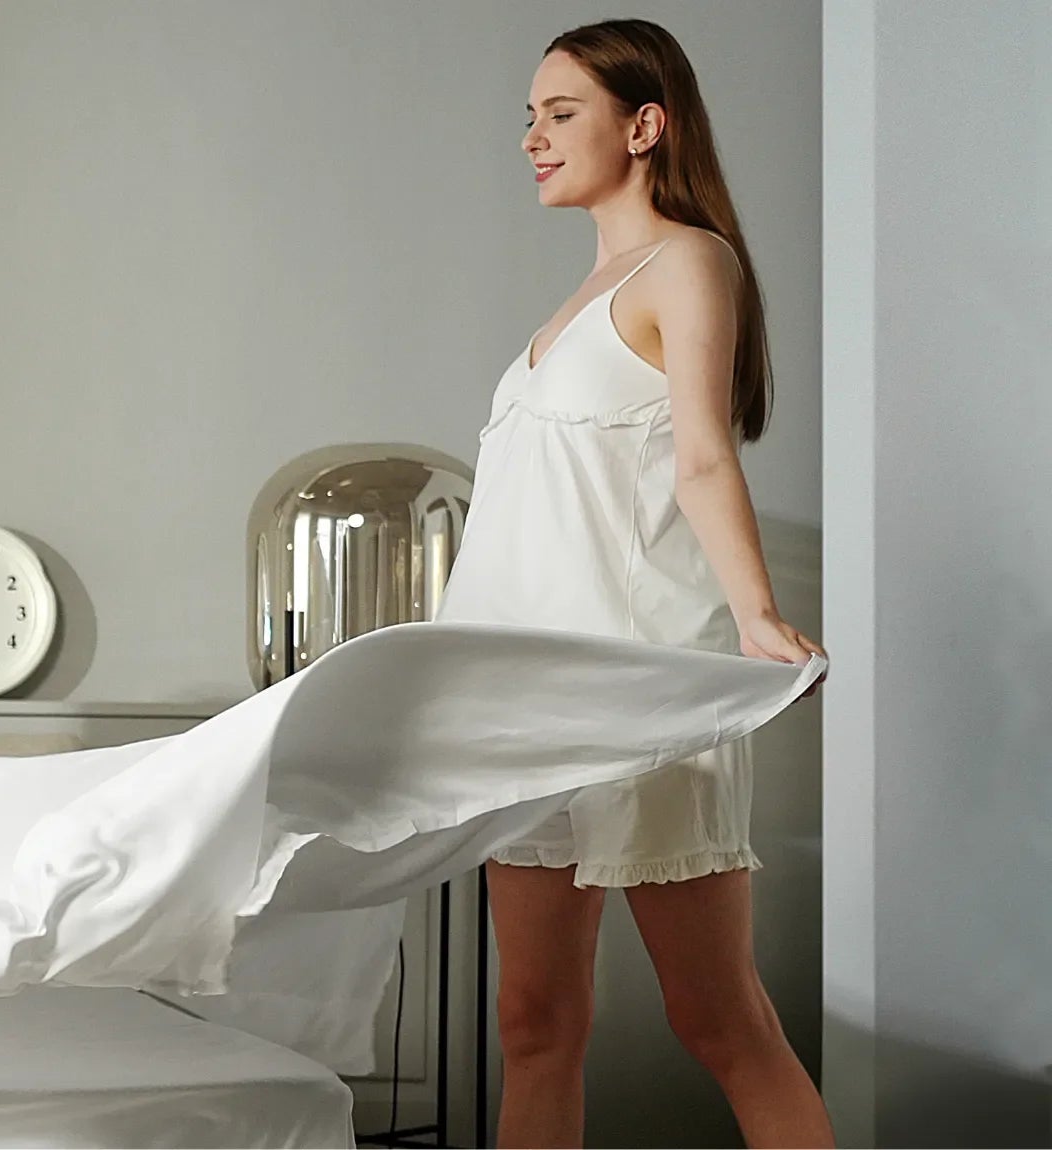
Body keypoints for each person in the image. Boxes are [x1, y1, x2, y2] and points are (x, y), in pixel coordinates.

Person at [433, 18, 832, 1149]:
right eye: (530, 116)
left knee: (719, 1020)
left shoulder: (689, 263)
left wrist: (757, 616)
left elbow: (706, 452)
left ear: (644, 125)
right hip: (521, 703)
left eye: (561, 114)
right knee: (531, 1024)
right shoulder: (571, 305)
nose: (533, 138)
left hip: (635, 688)